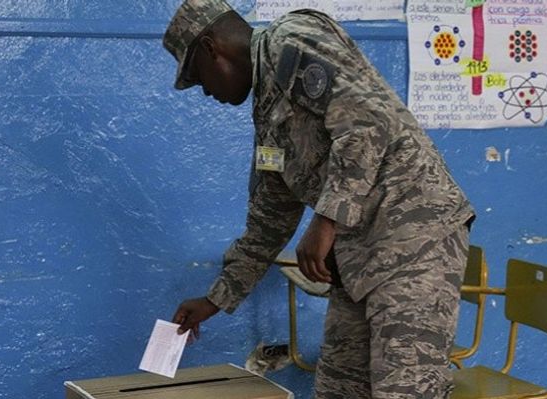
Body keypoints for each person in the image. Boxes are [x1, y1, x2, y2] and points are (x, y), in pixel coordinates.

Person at [162, 1, 475, 398]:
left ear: (211, 47)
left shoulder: (290, 39)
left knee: (405, 389)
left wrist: (326, 220)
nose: (206, 91)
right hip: (359, 260)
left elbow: (366, 123)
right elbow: (269, 220)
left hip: (415, 239)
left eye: (198, 77)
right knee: (339, 390)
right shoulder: (268, 111)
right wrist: (215, 298)